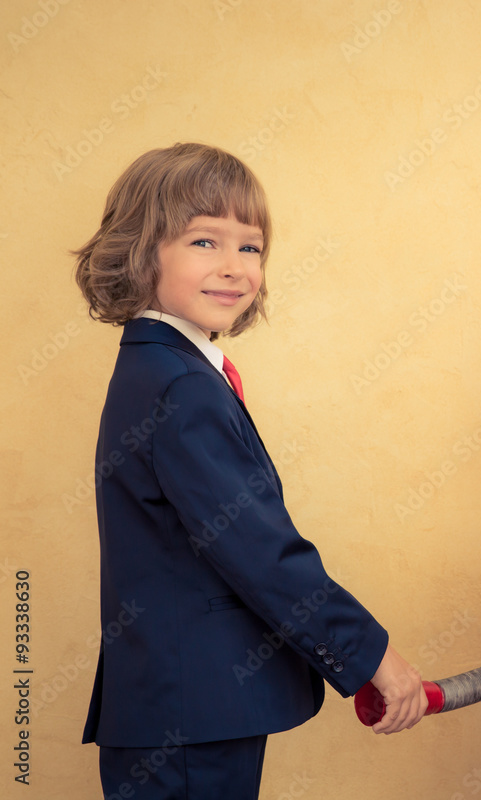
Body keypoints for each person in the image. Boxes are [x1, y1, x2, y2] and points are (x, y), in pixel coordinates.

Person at [74, 142, 427, 799]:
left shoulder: (162, 370)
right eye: (205, 242)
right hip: (191, 722)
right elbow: (262, 553)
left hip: (183, 711)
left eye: (252, 247)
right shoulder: (179, 387)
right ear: (141, 250)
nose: (234, 268)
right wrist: (371, 656)